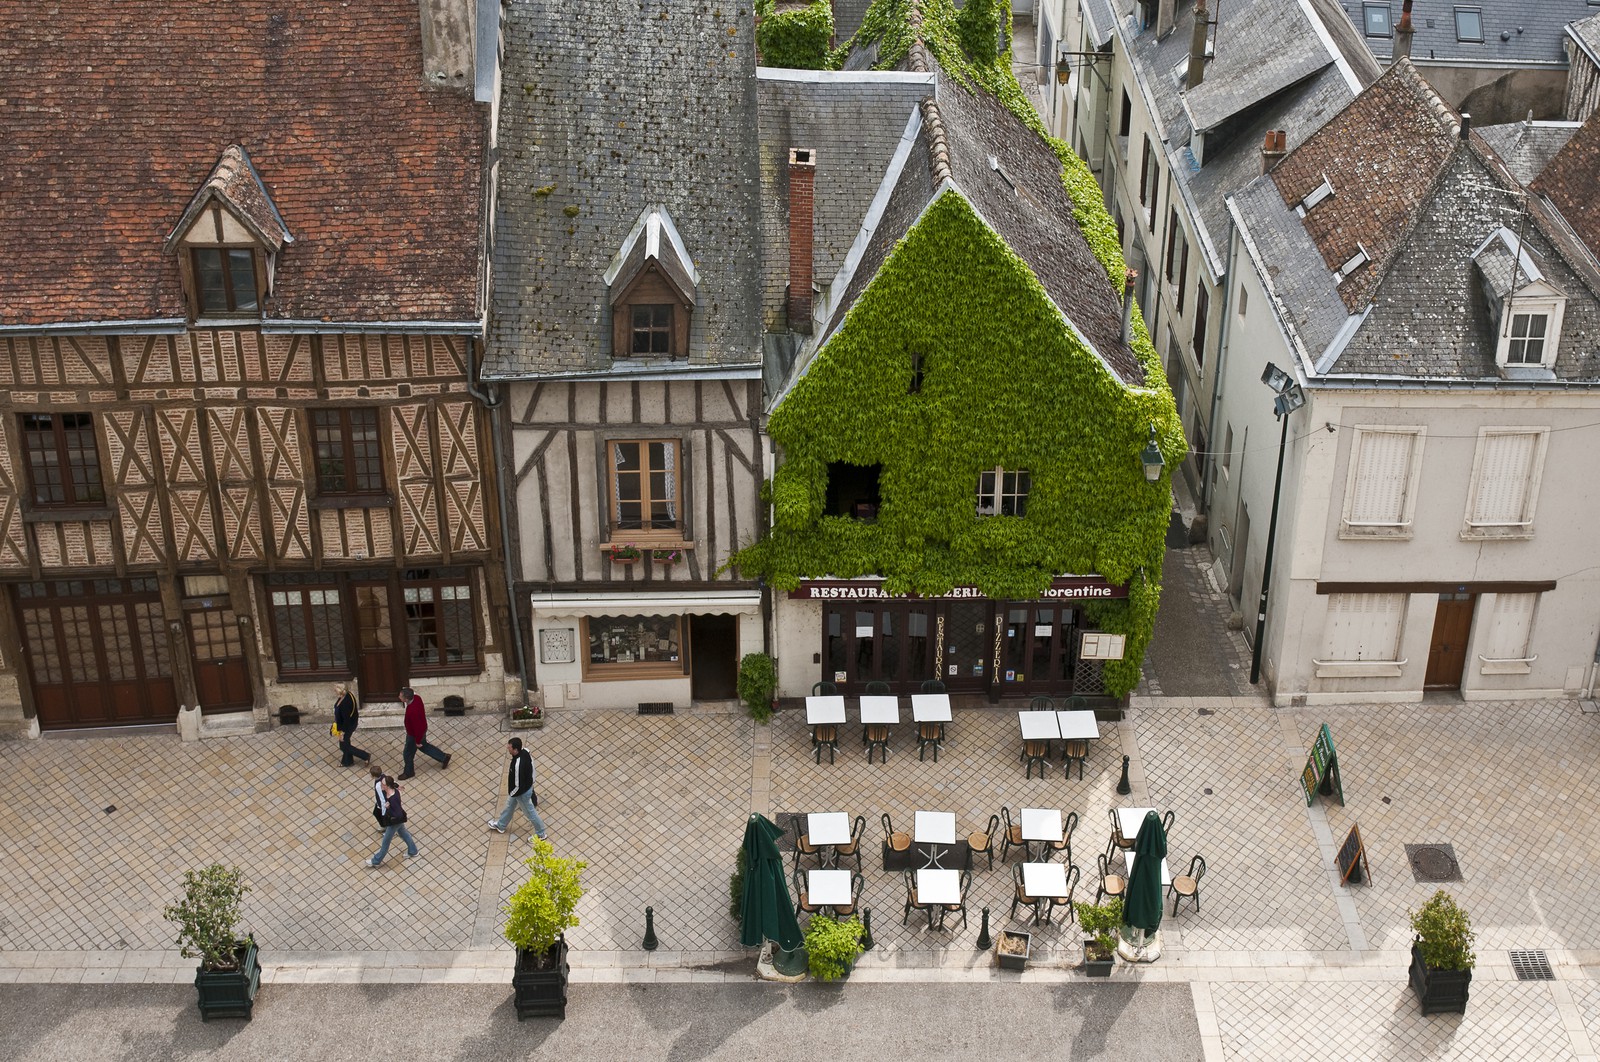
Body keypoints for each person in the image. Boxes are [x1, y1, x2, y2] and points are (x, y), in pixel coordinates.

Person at [488, 737, 547, 840]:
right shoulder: (526, 751)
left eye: (509, 747)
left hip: (521, 793)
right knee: (509, 806)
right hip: (523, 788)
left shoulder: (517, 765)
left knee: (530, 813)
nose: (507, 748)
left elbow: (518, 785)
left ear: (515, 749)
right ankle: (501, 825)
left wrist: (512, 793)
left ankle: (541, 834)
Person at [398, 686, 451, 780]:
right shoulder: (417, 698)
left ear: (406, 699)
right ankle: (443, 757)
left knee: (408, 753)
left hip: (414, 735)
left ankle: (409, 772)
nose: (399, 697)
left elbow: (417, 728)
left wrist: (417, 741)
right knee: (424, 746)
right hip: (422, 729)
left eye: (401, 696)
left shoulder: (412, 711)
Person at [367, 775, 418, 867]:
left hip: (394, 822)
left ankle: (376, 861)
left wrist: (388, 808)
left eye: (383, 784)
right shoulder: (392, 791)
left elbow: (397, 813)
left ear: (387, 786)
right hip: (397, 821)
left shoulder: (393, 798)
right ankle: (413, 851)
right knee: (404, 834)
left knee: (385, 842)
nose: (381, 785)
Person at [333, 683, 370, 767]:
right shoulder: (347, 695)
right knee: (346, 743)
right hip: (349, 723)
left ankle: (365, 755)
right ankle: (347, 761)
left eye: (335, 689)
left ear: (340, 691)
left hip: (347, 726)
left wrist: (342, 732)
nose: (334, 691)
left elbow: (346, 720)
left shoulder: (345, 703)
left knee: (344, 746)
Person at [370, 764, 388, 831]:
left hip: (383, 804)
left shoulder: (378, 785)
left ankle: (384, 826)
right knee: (377, 813)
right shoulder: (384, 777)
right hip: (384, 802)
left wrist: (381, 807)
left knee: (377, 813)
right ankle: (383, 825)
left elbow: (381, 797)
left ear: (373, 776)